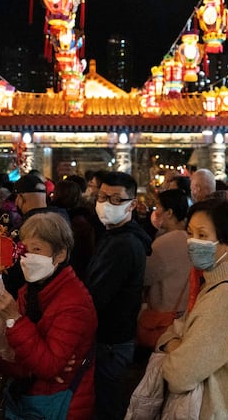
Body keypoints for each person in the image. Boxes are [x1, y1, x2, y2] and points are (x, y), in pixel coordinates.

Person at [157, 198, 228, 419]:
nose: (193, 242)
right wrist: (178, 344)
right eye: (191, 233)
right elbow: (171, 331)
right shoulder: (214, 282)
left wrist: (176, 346)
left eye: (202, 236)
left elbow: (178, 374)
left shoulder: (225, 297)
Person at [0, 212, 97, 420]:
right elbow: (8, 357)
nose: (28, 257)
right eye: (24, 250)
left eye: (37, 249)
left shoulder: (74, 302)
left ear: (60, 255)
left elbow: (48, 366)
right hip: (31, 397)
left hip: (59, 402)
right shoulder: (29, 291)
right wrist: (34, 367)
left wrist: (14, 320)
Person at [85, 171, 151, 419]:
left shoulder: (124, 243)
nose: (105, 204)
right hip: (112, 338)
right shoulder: (113, 234)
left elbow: (98, 295)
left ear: (132, 204)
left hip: (111, 340)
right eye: (102, 197)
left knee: (107, 405)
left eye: (116, 199)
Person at [139, 189, 190, 350]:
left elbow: (145, 276)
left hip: (163, 314)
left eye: (159, 207)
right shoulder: (191, 238)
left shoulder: (165, 242)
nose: (156, 211)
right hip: (185, 312)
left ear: (169, 212)